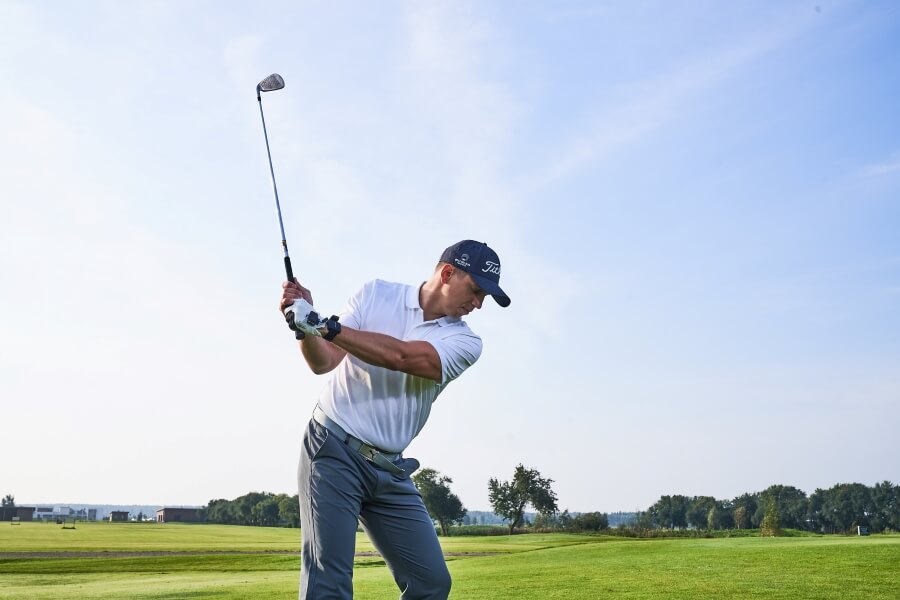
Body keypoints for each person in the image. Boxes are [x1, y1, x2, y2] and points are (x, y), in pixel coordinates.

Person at [279, 240, 510, 600]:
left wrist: (322, 324)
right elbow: (323, 362)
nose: (478, 304)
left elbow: (403, 358)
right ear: (448, 273)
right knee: (330, 583)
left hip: (390, 471)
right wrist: (303, 326)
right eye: (477, 291)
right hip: (333, 450)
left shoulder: (465, 341)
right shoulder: (375, 294)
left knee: (431, 583)